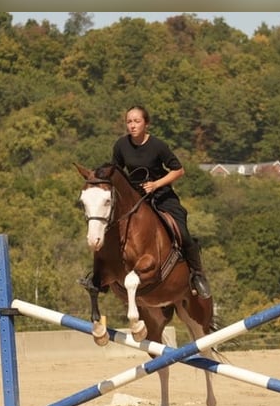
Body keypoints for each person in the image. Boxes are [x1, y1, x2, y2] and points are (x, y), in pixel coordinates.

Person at [83, 105, 211, 299]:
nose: (132, 125)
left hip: (161, 196)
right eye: (129, 122)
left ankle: (197, 275)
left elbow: (179, 170)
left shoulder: (157, 145)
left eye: (137, 121)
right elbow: (115, 174)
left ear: (146, 124)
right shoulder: (121, 145)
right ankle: (100, 277)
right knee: (109, 228)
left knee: (182, 232)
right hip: (135, 197)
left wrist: (156, 184)